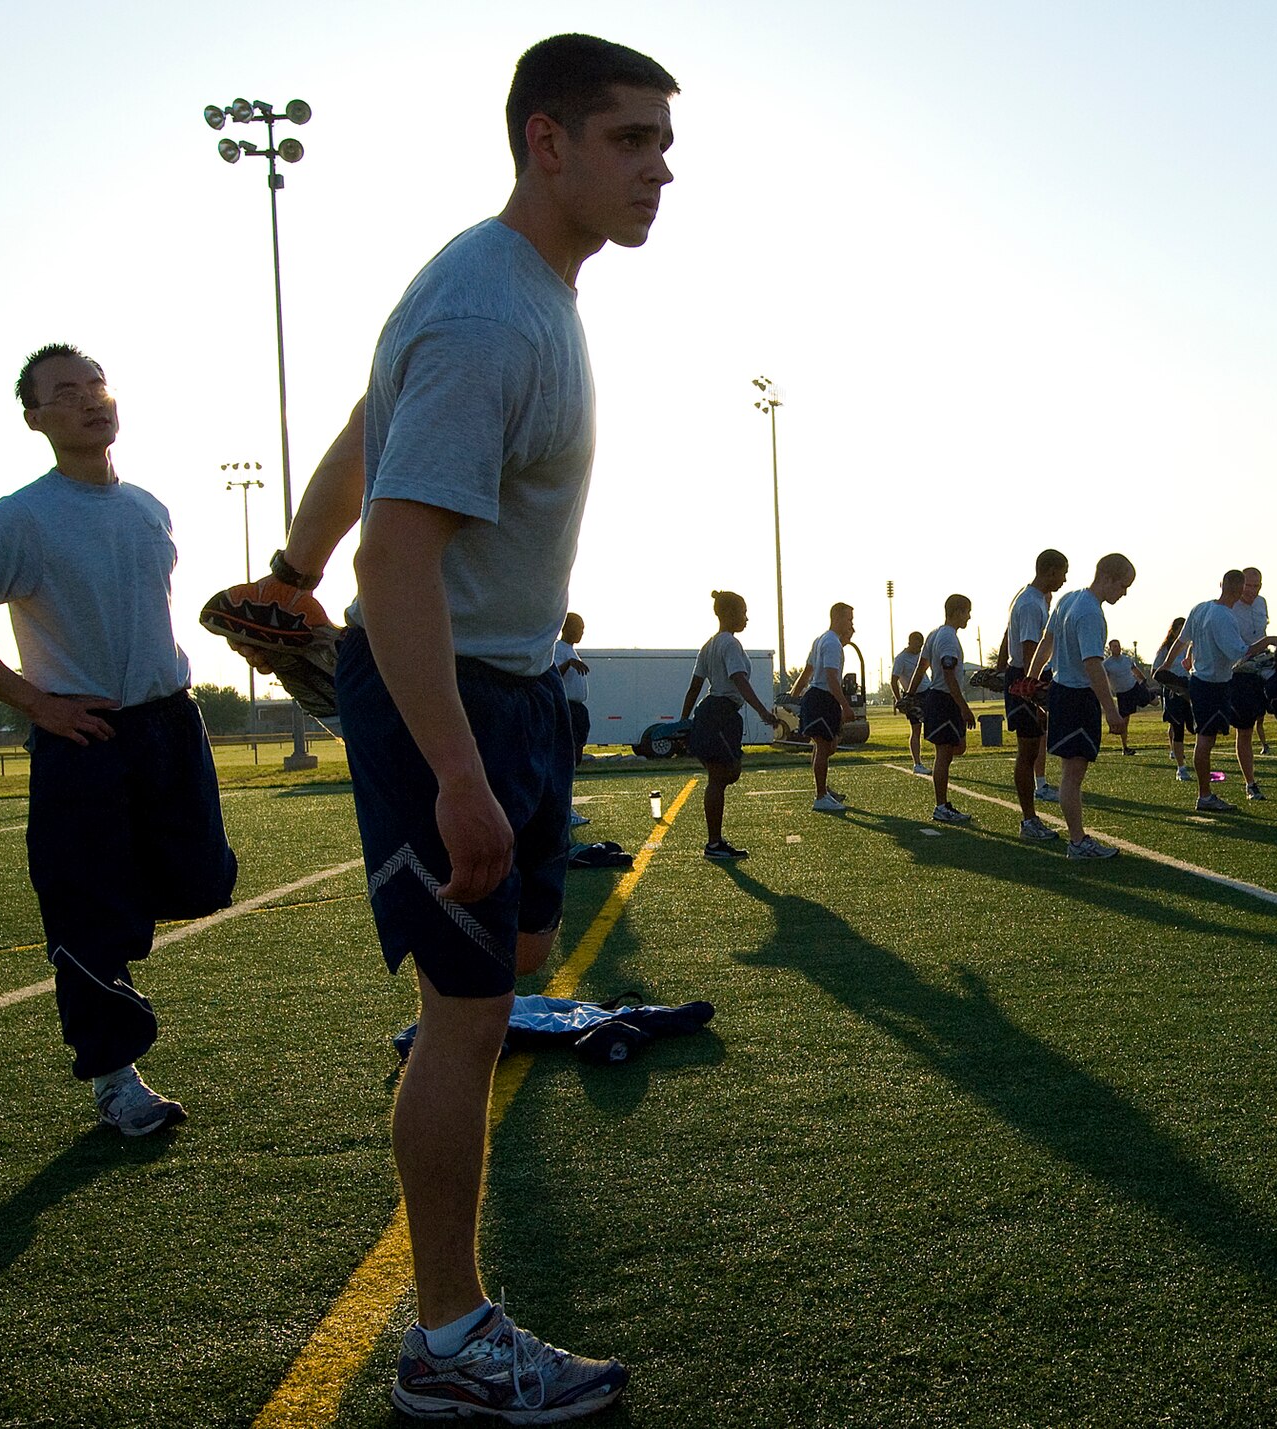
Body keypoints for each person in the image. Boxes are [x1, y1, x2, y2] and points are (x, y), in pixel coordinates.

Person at [326, 35, 676, 1421]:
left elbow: (371, 422)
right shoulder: (490, 312)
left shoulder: (533, 289)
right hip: (450, 695)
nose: (660, 168)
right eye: (631, 139)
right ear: (548, 142)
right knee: (465, 1015)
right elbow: (394, 563)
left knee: (517, 962)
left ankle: (450, 1059)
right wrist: (459, 776)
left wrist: (290, 558)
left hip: (516, 684)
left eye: (663, 142)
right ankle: (448, 1341)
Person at [0, 343, 238, 1138]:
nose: (91, 399)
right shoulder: (20, 517)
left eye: (97, 384)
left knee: (201, 881)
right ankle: (116, 1080)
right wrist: (36, 704)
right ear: (36, 420)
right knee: (89, 912)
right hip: (84, 736)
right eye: (66, 391)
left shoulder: (149, 507)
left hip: (169, 727)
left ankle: (116, 945)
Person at [1028, 553, 1135, 858]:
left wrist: (1031, 679)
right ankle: (1077, 842)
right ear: (1108, 578)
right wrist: (1111, 710)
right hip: (1077, 696)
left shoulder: (1068, 599)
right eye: (1123, 585)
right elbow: (1092, 664)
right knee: (1073, 775)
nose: (1124, 593)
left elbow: (1046, 642)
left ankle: (1077, 840)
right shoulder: (1090, 612)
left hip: (1063, 692)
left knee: (1069, 773)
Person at [1167, 569, 1277, 811]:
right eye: (1247, 586)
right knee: (1206, 739)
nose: (1252, 591)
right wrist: (1269, 642)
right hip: (1216, 682)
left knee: (1207, 738)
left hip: (1204, 680)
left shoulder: (1200, 607)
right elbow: (1239, 653)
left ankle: (1207, 793)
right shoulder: (1225, 616)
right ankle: (1205, 795)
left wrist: (1167, 666)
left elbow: (1183, 639)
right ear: (1238, 590)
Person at [682, 590, 779, 858]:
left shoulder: (709, 644)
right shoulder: (729, 644)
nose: (746, 618)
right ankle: (714, 844)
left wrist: (685, 718)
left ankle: (715, 842)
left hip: (712, 712)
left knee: (725, 774)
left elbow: (694, 687)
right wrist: (762, 711)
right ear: (727, 614)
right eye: (743, 612)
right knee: (722, 775)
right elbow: (739, 680)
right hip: (720, 713)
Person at [1004, 549, 1068, 838]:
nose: (1065, 579)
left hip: (1023, 677)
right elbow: (1031, 649)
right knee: (1027, 751)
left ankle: (1030, 817)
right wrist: (1035, 689)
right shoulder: (1031, 603)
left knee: (1032, 749)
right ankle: (1029, 821)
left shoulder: (1031, 598)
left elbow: (1008, 638)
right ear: (1050, 570)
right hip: (1025, 679)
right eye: (1063, 572)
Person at [915, 596, 977, 822]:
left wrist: (911, 694)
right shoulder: (948, 638)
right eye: (967, 612)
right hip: (944, 700)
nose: (969, 617)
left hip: (939, 698)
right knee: (944, 754)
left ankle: (942, 804)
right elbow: (949, 675)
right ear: (958, 612)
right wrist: (964, 707)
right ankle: (941, 806)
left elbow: (922, 666)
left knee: (957, 748)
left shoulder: (934, 634)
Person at [793, 603, 856, 813]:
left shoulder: (822, 639)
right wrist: (845, 706)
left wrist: (794, 694)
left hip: (819, 697)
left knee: (827, 746)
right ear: (837, 618)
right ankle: (820, 795)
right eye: (849, 619)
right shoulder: (831, 642)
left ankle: (823, 790)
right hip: (822, 698)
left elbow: (808, 670)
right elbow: (830, 677)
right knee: (823, 747)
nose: (851, 623)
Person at [552, 612, 591, 827]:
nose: (582, 633)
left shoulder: (571, 651)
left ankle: (566, 806)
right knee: (566, 759)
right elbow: (553, 675)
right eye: (579, 628)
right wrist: (569, 664)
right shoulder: (559, 649)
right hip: (566, 708)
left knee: (575, 760)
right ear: (567, 628)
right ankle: (564, 809)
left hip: (577, 710)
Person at [1235, 567, 1275, 754]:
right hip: (1241, 668)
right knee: (1245, 726)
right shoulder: (1231, 605)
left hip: (1263, 661)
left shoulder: (1262, 603)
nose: (1252, 590)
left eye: (1256, 586)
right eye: (1248, 586)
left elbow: (1262, 631)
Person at [1153, 616, 1193, 781]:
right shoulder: (1165, 649)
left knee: (1195, 727)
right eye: (1179, 628)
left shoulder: (1192, 646)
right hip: (1173, 692)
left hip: (1190, 689)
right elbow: (1155, 671)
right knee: (1178, 728)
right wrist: (1170, 682)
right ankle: (1181, 767)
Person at [889, 630, 930, 774]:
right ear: (910, 642)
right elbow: (894, 681)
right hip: (913, 697)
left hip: (927, 692)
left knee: (934, 725)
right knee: (916, 729)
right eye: (917, 645)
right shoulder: (901, 659)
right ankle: (917, 764)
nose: (919, 648)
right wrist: (899, 701)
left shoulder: (921, 655)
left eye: (921, 646)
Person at [1103, 639, 1143, 754]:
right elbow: (1103, 679)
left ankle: (1152, 696)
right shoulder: (1107, 664)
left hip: (1133, 688)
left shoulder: (1127, 660)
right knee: (1125, 721)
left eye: (1118, 646)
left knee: (1153, 700)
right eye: (1114, 646)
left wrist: (1144, 681)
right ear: (1110, 648)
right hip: (1122, 694)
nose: (1117, 648)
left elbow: (1136, 671)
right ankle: (1125, 747)